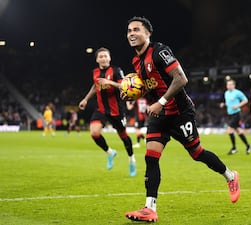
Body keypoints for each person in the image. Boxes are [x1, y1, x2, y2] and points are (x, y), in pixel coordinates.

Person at [122, 16, 240, 222]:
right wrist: (132, 94)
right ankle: (149, 208)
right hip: (160, 116)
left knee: (197, 153)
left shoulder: (159, 51)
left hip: (180, 113)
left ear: (148, 33)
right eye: (129, 30)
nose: (131, 33)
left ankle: (230, 176)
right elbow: (150, 87)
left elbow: (181, 78)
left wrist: (162, 101)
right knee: (151, 157)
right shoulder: (135, 61)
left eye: (136, 30)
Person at [78, 47, 136, 176]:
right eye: (101, 56)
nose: (103, 58)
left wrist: (109, 82)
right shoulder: (95, 72)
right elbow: (95, 86)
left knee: (124, 137)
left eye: (105, 56)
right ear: (97, 59)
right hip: (101, 109)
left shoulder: (116, 70)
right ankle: (110, 152)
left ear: (109, 58)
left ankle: (131, 159)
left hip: (117, 110)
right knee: (94, 133)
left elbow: (123, 86)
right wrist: (86, 99)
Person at [220, 79, 251, 155]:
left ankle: (234, 148)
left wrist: (238, 105)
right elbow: (229, 103)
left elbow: (245, 100)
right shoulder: (226, 93)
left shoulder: (237, 92)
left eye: (231, 84)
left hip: (236, 113)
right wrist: (224, 104)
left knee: (229, 130)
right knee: (238, 131)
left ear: (234, 85)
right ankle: (248, 146)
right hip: (230, 114)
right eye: (228, 85)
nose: (229, 86)